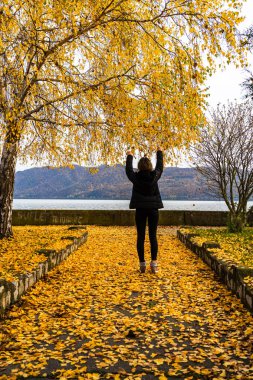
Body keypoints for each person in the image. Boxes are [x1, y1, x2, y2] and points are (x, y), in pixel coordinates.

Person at [125, 148, 163, 274]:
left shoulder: (136, 178)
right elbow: (160, 167)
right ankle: (154, 264)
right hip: (153, 209)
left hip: (140, 209)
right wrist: (159, 152)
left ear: (139, 166)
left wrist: (130, 155)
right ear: (150, 166)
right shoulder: (154, 176)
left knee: (140, 236)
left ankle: (142, 264)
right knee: (153, 236)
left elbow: (129, 171)